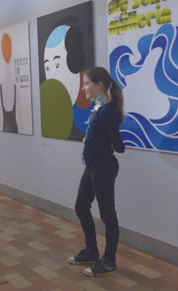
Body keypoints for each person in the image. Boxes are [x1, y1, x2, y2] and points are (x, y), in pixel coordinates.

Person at [67, 67, 125, 277]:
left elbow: (118, 146)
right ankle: (92, 250)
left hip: (103, 168)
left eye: (86, 83)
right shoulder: (99, 106)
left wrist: (108, 136)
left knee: (107, 214)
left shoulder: (107, 111)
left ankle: (109, 260)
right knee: (81, 206)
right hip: (92, 166)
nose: (83, 88)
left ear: (99, 85)